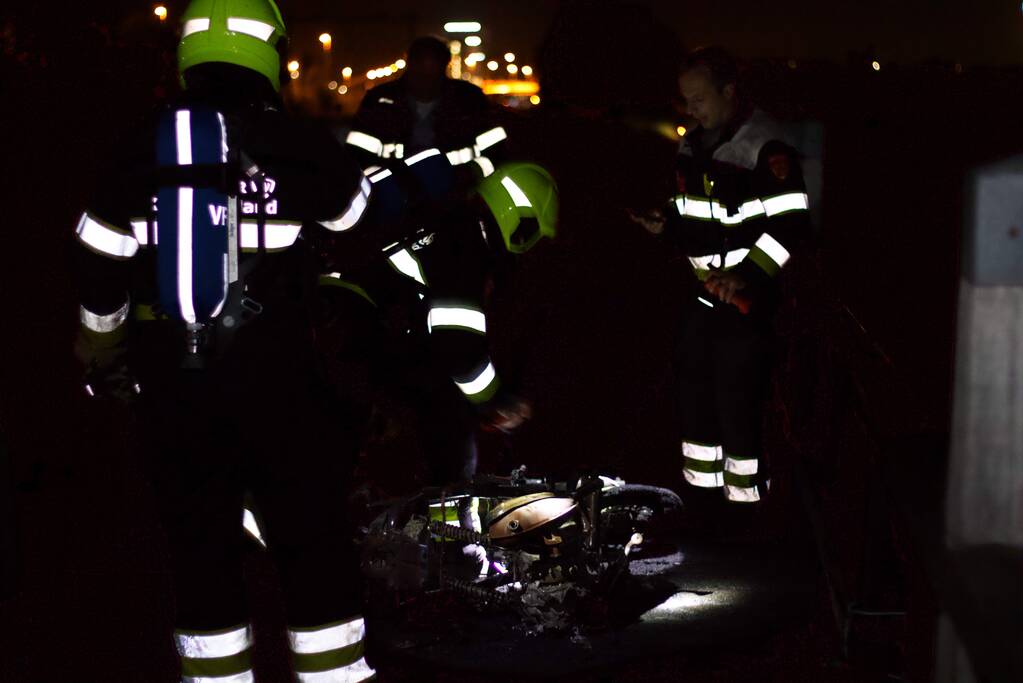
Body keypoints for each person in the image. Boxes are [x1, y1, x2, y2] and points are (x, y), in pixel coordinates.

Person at [73, 1, 377, 680]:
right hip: (282, 381)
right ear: (267, 52)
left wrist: (103, 345)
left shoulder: (140, 143)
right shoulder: (297, 142)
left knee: (200, 554)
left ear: (185, 50)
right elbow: (358, 218)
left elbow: (96, 258)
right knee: (311, 545)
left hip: (173, 384)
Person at [320, 156, 557, 529]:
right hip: (346, 324)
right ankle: (446, 535)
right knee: (447, 413)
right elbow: (461, 354)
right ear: (520, 224)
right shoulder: (464, 244)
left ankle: (371, 522)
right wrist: (496, 403)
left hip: (334, 317)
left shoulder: (447, 224)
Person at [631, 46, 810, 507]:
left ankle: (752, 505)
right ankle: (705, 500)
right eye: (685, 101)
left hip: (752, 302)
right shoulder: (692, 144)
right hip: (706, 294)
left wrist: (748, 277)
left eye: (699, 99)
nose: (690, 110)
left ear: (730, 92)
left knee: (738, 393)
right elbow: (696, 218)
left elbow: (790, 225)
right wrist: (665, 225)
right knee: (692, 385)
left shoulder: (765, 147)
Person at [344, 35, 507, 182]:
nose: (425, 75)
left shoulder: (469, 99)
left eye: (433, 66)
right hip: (393, 197)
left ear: (444, 66)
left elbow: (498, 150)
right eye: (420, 65)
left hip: (459, 195)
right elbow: (356, 155)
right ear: (410, 64)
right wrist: (390, 182)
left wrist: (468, 174)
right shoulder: (378, 101)